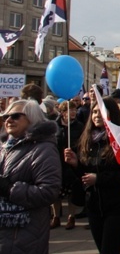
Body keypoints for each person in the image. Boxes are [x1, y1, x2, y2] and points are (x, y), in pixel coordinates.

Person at [64, 96, 120, 254]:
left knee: (109, 250)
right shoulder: (87, 140)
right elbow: (84, 174)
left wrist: (99, 179)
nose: (97, 115)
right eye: (94, 112)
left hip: (117, 206)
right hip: (94, 206)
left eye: (101, 112)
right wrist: (76, 164)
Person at [0, 100, 61, 254]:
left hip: (23, 234)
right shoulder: (4, 147)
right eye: (6, 116)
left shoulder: (43, 149)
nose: (8, 120)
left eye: (15, 116)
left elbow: (49, 192)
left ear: (32, 118)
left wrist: (9, 189)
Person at [52, 100, 85, 230]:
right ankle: (56, 216)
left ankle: (71, 217)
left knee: (71, 191)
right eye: (70, 110)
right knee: (56, 192)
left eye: (74, 110)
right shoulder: (54, 126)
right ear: (62, 112)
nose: (73, 112)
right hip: (57, 162)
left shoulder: (79, 126)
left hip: (72, 163)